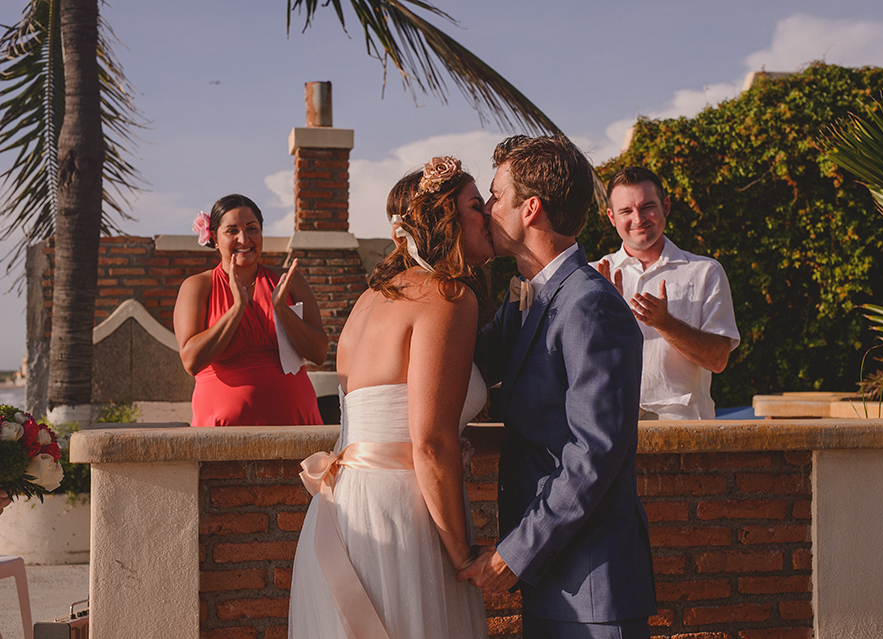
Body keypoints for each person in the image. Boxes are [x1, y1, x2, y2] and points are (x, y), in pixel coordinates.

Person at [458, 136, 657, 638]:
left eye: (495, 196)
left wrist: (515, 553)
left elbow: (594, 452)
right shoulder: (531, 296)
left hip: (592, 588)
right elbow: (469, 359)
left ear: (530, 208)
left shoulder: (590, 304)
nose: (486, 208)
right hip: (554, 582)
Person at [287, 157, 493, 639]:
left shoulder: (369, 300)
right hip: (404, 517)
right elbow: (430, 443)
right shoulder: (448, 296)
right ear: (444, 218)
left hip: (342, 509)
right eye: (476, 206)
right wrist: (464, 555)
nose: (487, 215)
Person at [593, 167, 739, 420]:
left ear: (666, 206)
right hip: (610, 425)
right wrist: (603, 318)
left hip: (684, 427)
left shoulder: (705, 271)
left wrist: (665, 323)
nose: (638, 219)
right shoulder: (592, 275)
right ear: (611, 217)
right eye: (626, 211)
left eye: (647, 206)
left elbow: (718, 359)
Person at [173, 194, 328, 427]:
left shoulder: (290, 282)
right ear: (214, 238)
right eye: (232, 231)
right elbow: (191, 361)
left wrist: (282, 310)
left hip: (296, 425)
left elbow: (318, 354)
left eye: (252, 229)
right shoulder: (198, 287)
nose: (244, 239)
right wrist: (237, 309)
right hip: (222, 431)